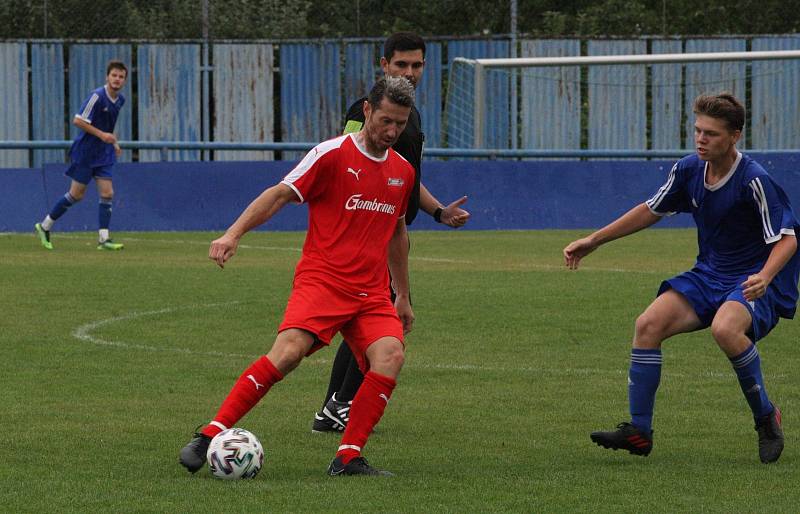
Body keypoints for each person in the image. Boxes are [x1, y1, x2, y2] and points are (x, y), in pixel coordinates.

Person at [179, 76, 417, 477]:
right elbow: (279, 194)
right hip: (322, 281)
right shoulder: (330, 154)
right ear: (367, 111)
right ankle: (209, 434)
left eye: (401, 123)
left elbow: (397, 232)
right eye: (386, 121)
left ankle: (347, 457)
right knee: (287, 354)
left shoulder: (402, 172)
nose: (392, 131)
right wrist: (233, 234)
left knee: (390, 356)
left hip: (371, 293)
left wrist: (403, 295)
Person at [563, 92, 798, 464]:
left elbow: (788, 238)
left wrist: (766, 276)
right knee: (648, 324)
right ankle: (639, 432)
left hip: (753, 278)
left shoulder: (755, 179)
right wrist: (595, 240)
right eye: (698, 131)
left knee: (725, 329)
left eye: (712, 134)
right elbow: (650, 210)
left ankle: (766, 417)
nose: (702, 140)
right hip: (709, 274)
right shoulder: (689, 170)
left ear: (735, 136)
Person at [312, 31, 471, 434]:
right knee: (380, 322)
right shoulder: (363, 110)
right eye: (401, 64)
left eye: (417, 65)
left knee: (366, 322)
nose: (410, 72)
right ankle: (341, 404)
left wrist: (437, 211)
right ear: (383, 65)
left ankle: (333, 408)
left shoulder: (408, 115)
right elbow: (355, 159)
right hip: (368, 235)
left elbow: (403, 178)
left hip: (391, 231)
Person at [34, 60, 128, 251]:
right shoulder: (96, 96)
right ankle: (44, 226)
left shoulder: (120, 100)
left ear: (124, 80)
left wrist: (113, 142)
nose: (117, 79)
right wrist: (102, 135)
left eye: (121, 77)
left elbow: (108, 127)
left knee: (107, 192)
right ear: (107, 77)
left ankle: (104, 239)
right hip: (85, 152)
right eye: (114, 75)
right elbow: (77, 120)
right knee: (76, 194)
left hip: (103, 152)